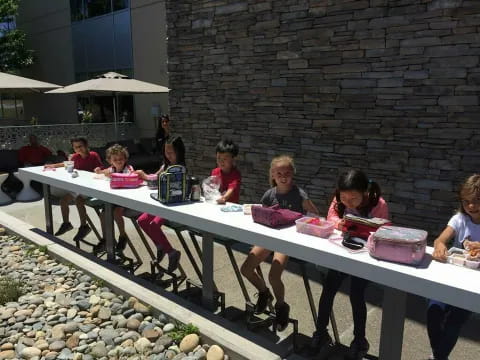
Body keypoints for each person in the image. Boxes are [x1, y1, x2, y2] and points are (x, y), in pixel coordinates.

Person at [308, 169, 389, 359]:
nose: (347, 203)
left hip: (364, 256)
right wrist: (340, 223)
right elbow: (331, 217)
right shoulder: (339, 200)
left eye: (353, 199)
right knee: (328, 289)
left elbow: (383, 229)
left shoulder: (378, 204)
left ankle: (359, 340)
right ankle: (320, 332)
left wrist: (362, 227)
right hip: (342, 251)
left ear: (365, 193)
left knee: (356, 294)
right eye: (344, 198)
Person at [240, 155, 319, 331]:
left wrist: (304, 227)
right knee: (246, 268)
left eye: (287, 173)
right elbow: (262, 216)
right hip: (270, 238)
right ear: (273, 175)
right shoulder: (269, 195)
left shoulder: (299, 194)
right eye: (279, 173)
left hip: (287, 241)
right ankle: (264, 293)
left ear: (293, 174)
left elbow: (315, 215)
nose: (283, 176)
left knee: (274, 275)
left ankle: (281, 306)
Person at [427, 174, 480, 360]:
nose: (471, 206)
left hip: (472, 285)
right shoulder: (459, 219)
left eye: (476, 201)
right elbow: (440, 239)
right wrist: (440, 246)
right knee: (433, 312)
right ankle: (439, 355)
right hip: (449, 277)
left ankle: (438, 357)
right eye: (467, 202)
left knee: (453, 322)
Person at [134, 136, 185, 272]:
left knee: (154, 224)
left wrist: (143, 175)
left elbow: (157, 180)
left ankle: (172, 253)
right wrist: (145, 176)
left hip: (176, 205)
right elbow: (154, 178)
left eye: (171, 152)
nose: (168, 155)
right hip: (163, 201)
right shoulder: (165, 165)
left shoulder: (180, 168)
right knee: (142, 220)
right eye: (166, 152)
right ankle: (160, 246)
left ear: (179, 152)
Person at [45, 137, 103, 242]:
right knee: (63, 201)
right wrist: (52, 165)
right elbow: (66, 164)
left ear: (86, 146)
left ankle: (84, 226)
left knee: (79, 200)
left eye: (80, 146)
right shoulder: (75, 157)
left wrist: (97, 170)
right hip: (78, 185)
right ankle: (66, 224)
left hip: (89, 186)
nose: (78, 149)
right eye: (75, 147)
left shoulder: (93, 155)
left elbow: (100, 168)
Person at [92, 144, 134, 255]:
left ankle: (122, 235)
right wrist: (98, 171)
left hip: (126, 198)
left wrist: (113, 176)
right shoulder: (112, 168)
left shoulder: (128, 169)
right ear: (110, 161)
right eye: (115, 160)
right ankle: (106, 238)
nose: (119, 161)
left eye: (121, 159)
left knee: (116, 212)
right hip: (114, 198)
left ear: (125, 159)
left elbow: (129, 178)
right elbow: (103, 172)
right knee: (103, 214)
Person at [211, 139, 241, 204]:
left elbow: (231, 189)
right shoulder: (215, 172)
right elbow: (213, 187)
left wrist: (224, 198)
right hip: (218, 204)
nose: (221, 161)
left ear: (233, 159)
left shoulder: (235, 174)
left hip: (231, 206)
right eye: (218, 158)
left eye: (225, 159)